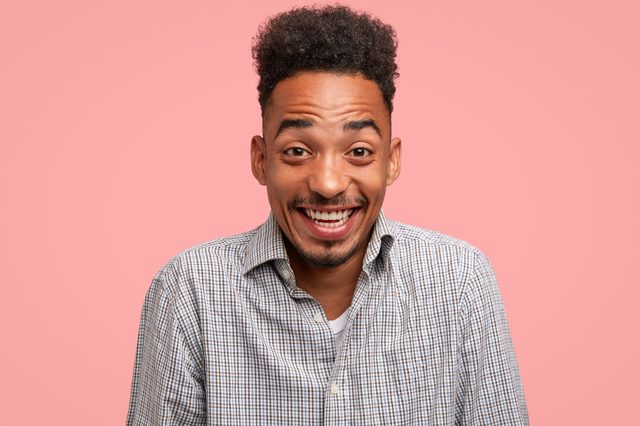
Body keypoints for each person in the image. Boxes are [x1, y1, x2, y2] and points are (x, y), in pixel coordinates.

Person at [126, 5, 528, 425]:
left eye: (358, 152)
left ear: (390, 161)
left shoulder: (460, 281)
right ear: (262, 160)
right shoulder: (189, 292)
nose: (329, 183)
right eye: (298, 151)